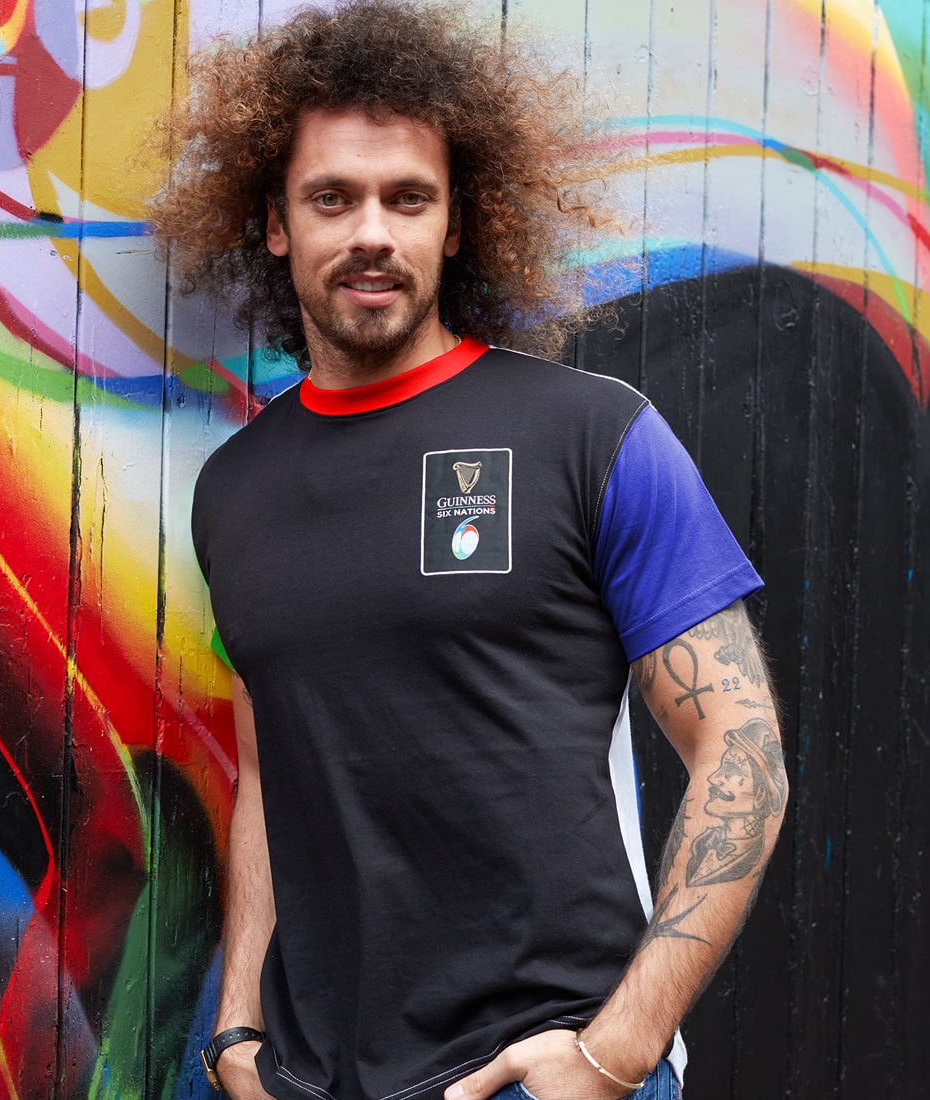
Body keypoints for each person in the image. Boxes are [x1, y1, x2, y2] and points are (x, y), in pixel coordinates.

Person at [150, 3, 787, 1099]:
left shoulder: (590, 433)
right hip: (309, 1077)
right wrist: (235, 1030)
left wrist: (613, 1050)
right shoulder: (234, 488)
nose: (370, 232)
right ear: (272, 221)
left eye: (407, 198)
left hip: (542, 1071)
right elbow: (269, 771)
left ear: (454, 223)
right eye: (331, 197)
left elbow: (743, 747)